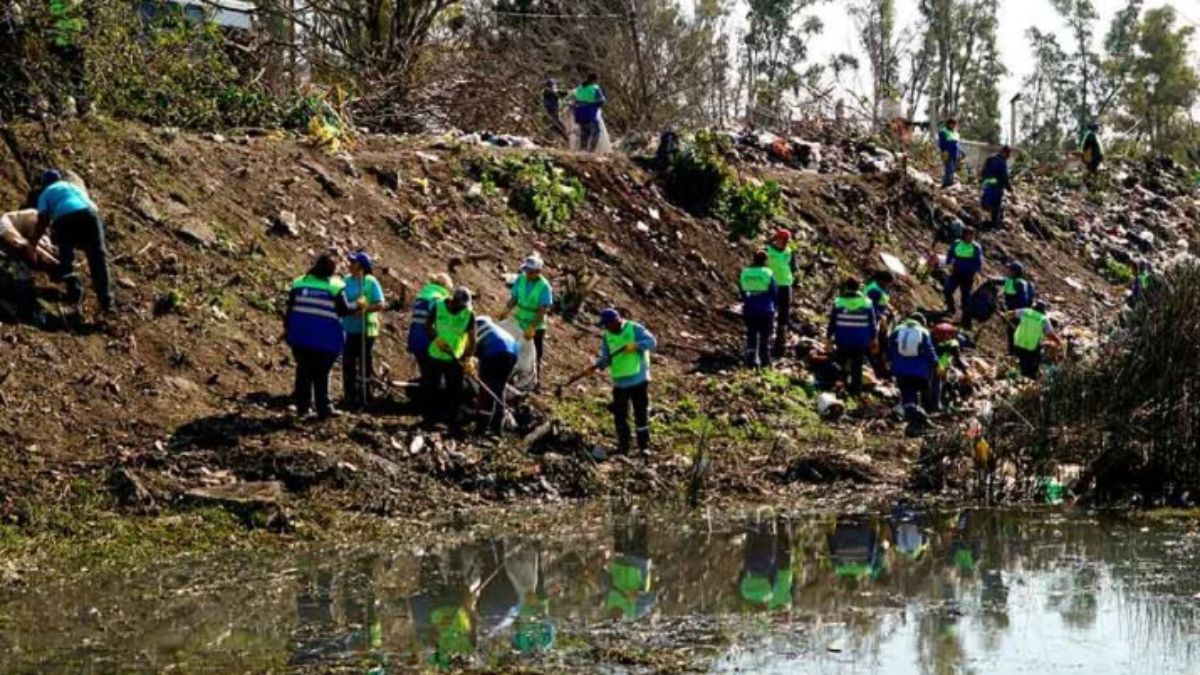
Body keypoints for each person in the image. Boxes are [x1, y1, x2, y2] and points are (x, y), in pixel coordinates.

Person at [27, 169, 112, 311]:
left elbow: (43, 220)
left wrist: (33, 243)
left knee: (66, 257)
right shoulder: (73, 186)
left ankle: (74, 290)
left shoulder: (46, 192)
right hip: (92, 216)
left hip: (66, 219)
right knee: (98, 257)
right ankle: (107, 302)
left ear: (44, 183)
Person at [284, 253, 357, 420]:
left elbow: (290, 309)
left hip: (300, 336)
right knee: (322, 372)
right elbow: (344, 310)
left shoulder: (299, 283)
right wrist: (358, 305)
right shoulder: (335, 287)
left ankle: (303, 408)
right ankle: (323, 407)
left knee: (303, 371)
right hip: (326, 338)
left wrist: (287, 329)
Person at [577, 309, 657, 455]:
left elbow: (652, 342)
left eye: (607, 324)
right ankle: (624, 446)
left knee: (640, 413)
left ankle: (643, 446)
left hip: (638, 379)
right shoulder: (607, 336)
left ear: (616, 321)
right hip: (620, 382)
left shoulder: (634, 328)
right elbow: (607, 356)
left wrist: (635, 346)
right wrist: (598, 365)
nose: (606, 328)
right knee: (620, 415)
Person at [423, 287, 478, 431]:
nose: (463, 309)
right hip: (435, 354)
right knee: (431, 387)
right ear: (453, 301)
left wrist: (468, 359)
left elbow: (472, 340)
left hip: (455, 358)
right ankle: (428, 418)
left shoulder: (469, 315)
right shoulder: (439, 307)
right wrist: (436, 339)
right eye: (461, 306)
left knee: (454, 390)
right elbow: (427, 325)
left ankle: (450, 421)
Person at [341, 251, 385, 411]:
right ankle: (349, 395)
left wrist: (365, 309)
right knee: (348, 362)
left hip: (366, 330)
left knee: (364, 362)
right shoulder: (345, 281)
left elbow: (380, 303)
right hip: (348, 328)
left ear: (361, 266)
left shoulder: (370, 282)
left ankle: (366, 394)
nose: (350, 264)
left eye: (353, 262)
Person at [499, 255, 553, 376]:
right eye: (526, 270)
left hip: (536, 325)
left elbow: (543, 309)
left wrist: (533, 327)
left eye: (530, 271)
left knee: (535, 353)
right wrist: (505, 310)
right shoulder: (521, 280)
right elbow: (514, 298)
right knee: (515, 347)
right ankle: (511, 372)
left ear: (537, 272)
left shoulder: (544, 286)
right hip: (519, 321)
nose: (527, 274)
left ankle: (535, 377)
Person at [827, 278, 877, 397]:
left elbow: (832, 322)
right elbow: (872, 324)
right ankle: (855, 392)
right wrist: (874, 339)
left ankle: (836, 386)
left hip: (842, 340)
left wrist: (828, 338)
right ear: (858, 287)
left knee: (840, 364)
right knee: (857, 367)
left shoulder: (838, 302)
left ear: (846, 287)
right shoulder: (867, 303)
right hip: (860, 341)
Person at [887, 313, 938, 422]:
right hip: (918, 370)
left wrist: (890, 360)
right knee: (914, 391)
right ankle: (913, 413)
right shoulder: (923, 332)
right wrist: (936, 363)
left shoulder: (897, 330)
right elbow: (929, 350)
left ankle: (906, 411)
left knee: (905, 390)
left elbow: (890, 346)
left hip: (900, 369)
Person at [473, 316, 519, 435]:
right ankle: (497, 426)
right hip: (513, 351)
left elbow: (473, 350)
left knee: (486, 388)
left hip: (495, 352)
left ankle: (481, 426)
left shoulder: (476, 329)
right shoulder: (493, 328)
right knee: (499, 387)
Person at [407, 272, 453, 381]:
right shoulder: (437, 298)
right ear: (445, 287)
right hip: (427, 342)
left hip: (414, 339)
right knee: (433, 378)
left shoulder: (422, 296)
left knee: (426, 374)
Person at [739, 250, 777, 368]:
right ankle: (765, 361)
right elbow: (774, 291)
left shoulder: (745, 272)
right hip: (765, 309)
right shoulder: (768, 273)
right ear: (765, 261)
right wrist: (774, 306)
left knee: (751, 333)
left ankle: (751, 360)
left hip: (750, 308)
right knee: (765, 336)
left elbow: (742, 290)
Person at [765, 229, 797, 358]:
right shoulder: (767, 250)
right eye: (783, 241)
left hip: (785, 285)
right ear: (777, 239)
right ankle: (766, 340)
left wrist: (792, 279)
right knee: (770, 312)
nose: (785, 244)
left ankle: (780, 344)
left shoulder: (789, 252)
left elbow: (793, 267)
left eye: (787, 242)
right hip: (771, 285)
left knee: (784, 315)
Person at [943, 226, 983, 326]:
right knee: (947, 290)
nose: (971, 237)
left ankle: (965, 319)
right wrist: (948, 263)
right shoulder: (957, 244)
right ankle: (951, 308)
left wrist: (976, 272)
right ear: (964, 235)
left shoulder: (976, 247)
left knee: (965, 297)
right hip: (956, 272)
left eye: (973, 235)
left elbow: (978, 262)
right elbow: (950, 253)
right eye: (969, 235)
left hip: (968, 275)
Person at [1010, 300, 1059, 380]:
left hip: (1017, 344)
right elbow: (1050, 335)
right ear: (1044, 310)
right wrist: (1059, 342)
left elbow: (1010, 314)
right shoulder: (1044, 319)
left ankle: (1018, 379)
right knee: (1032, 367)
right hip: (1031, 348)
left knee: (1021, 362)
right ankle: (1029, 382)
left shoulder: (1025, 312)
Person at [980, 146, 1013, 230]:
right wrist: (1009, 188)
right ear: (1004, 152)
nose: (1009, 157)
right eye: (1008, 154)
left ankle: (984, 220)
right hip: (996, 187)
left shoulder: (991, 159)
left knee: (986, 202)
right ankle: (994, 225)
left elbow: (983, 172)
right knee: (996, 206)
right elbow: (1004, 177)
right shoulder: (1001, 162)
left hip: (987, 184)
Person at [571, 73, 606, 152]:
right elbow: (601, 101)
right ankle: (591, 151)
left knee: (584, 132)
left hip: (579, 113)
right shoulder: (595, 88)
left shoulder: (579, 88)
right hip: (590, 113)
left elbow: (574, 99)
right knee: (596, 131)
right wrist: (596, 105)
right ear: (595, 80)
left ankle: (582, 149)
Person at [938, 118, 961, 188]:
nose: (953, 125)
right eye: (952, 124)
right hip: (947, 153)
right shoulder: (943, 131)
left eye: (954, 124)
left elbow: (957, 144)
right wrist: (944, 151)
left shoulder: (956, 133)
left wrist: (961, 152)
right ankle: (946, 184)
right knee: (949, 168)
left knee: (952, 169)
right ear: (948, 124)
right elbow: (941, 143)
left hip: (955, 153)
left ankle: (949, 183)